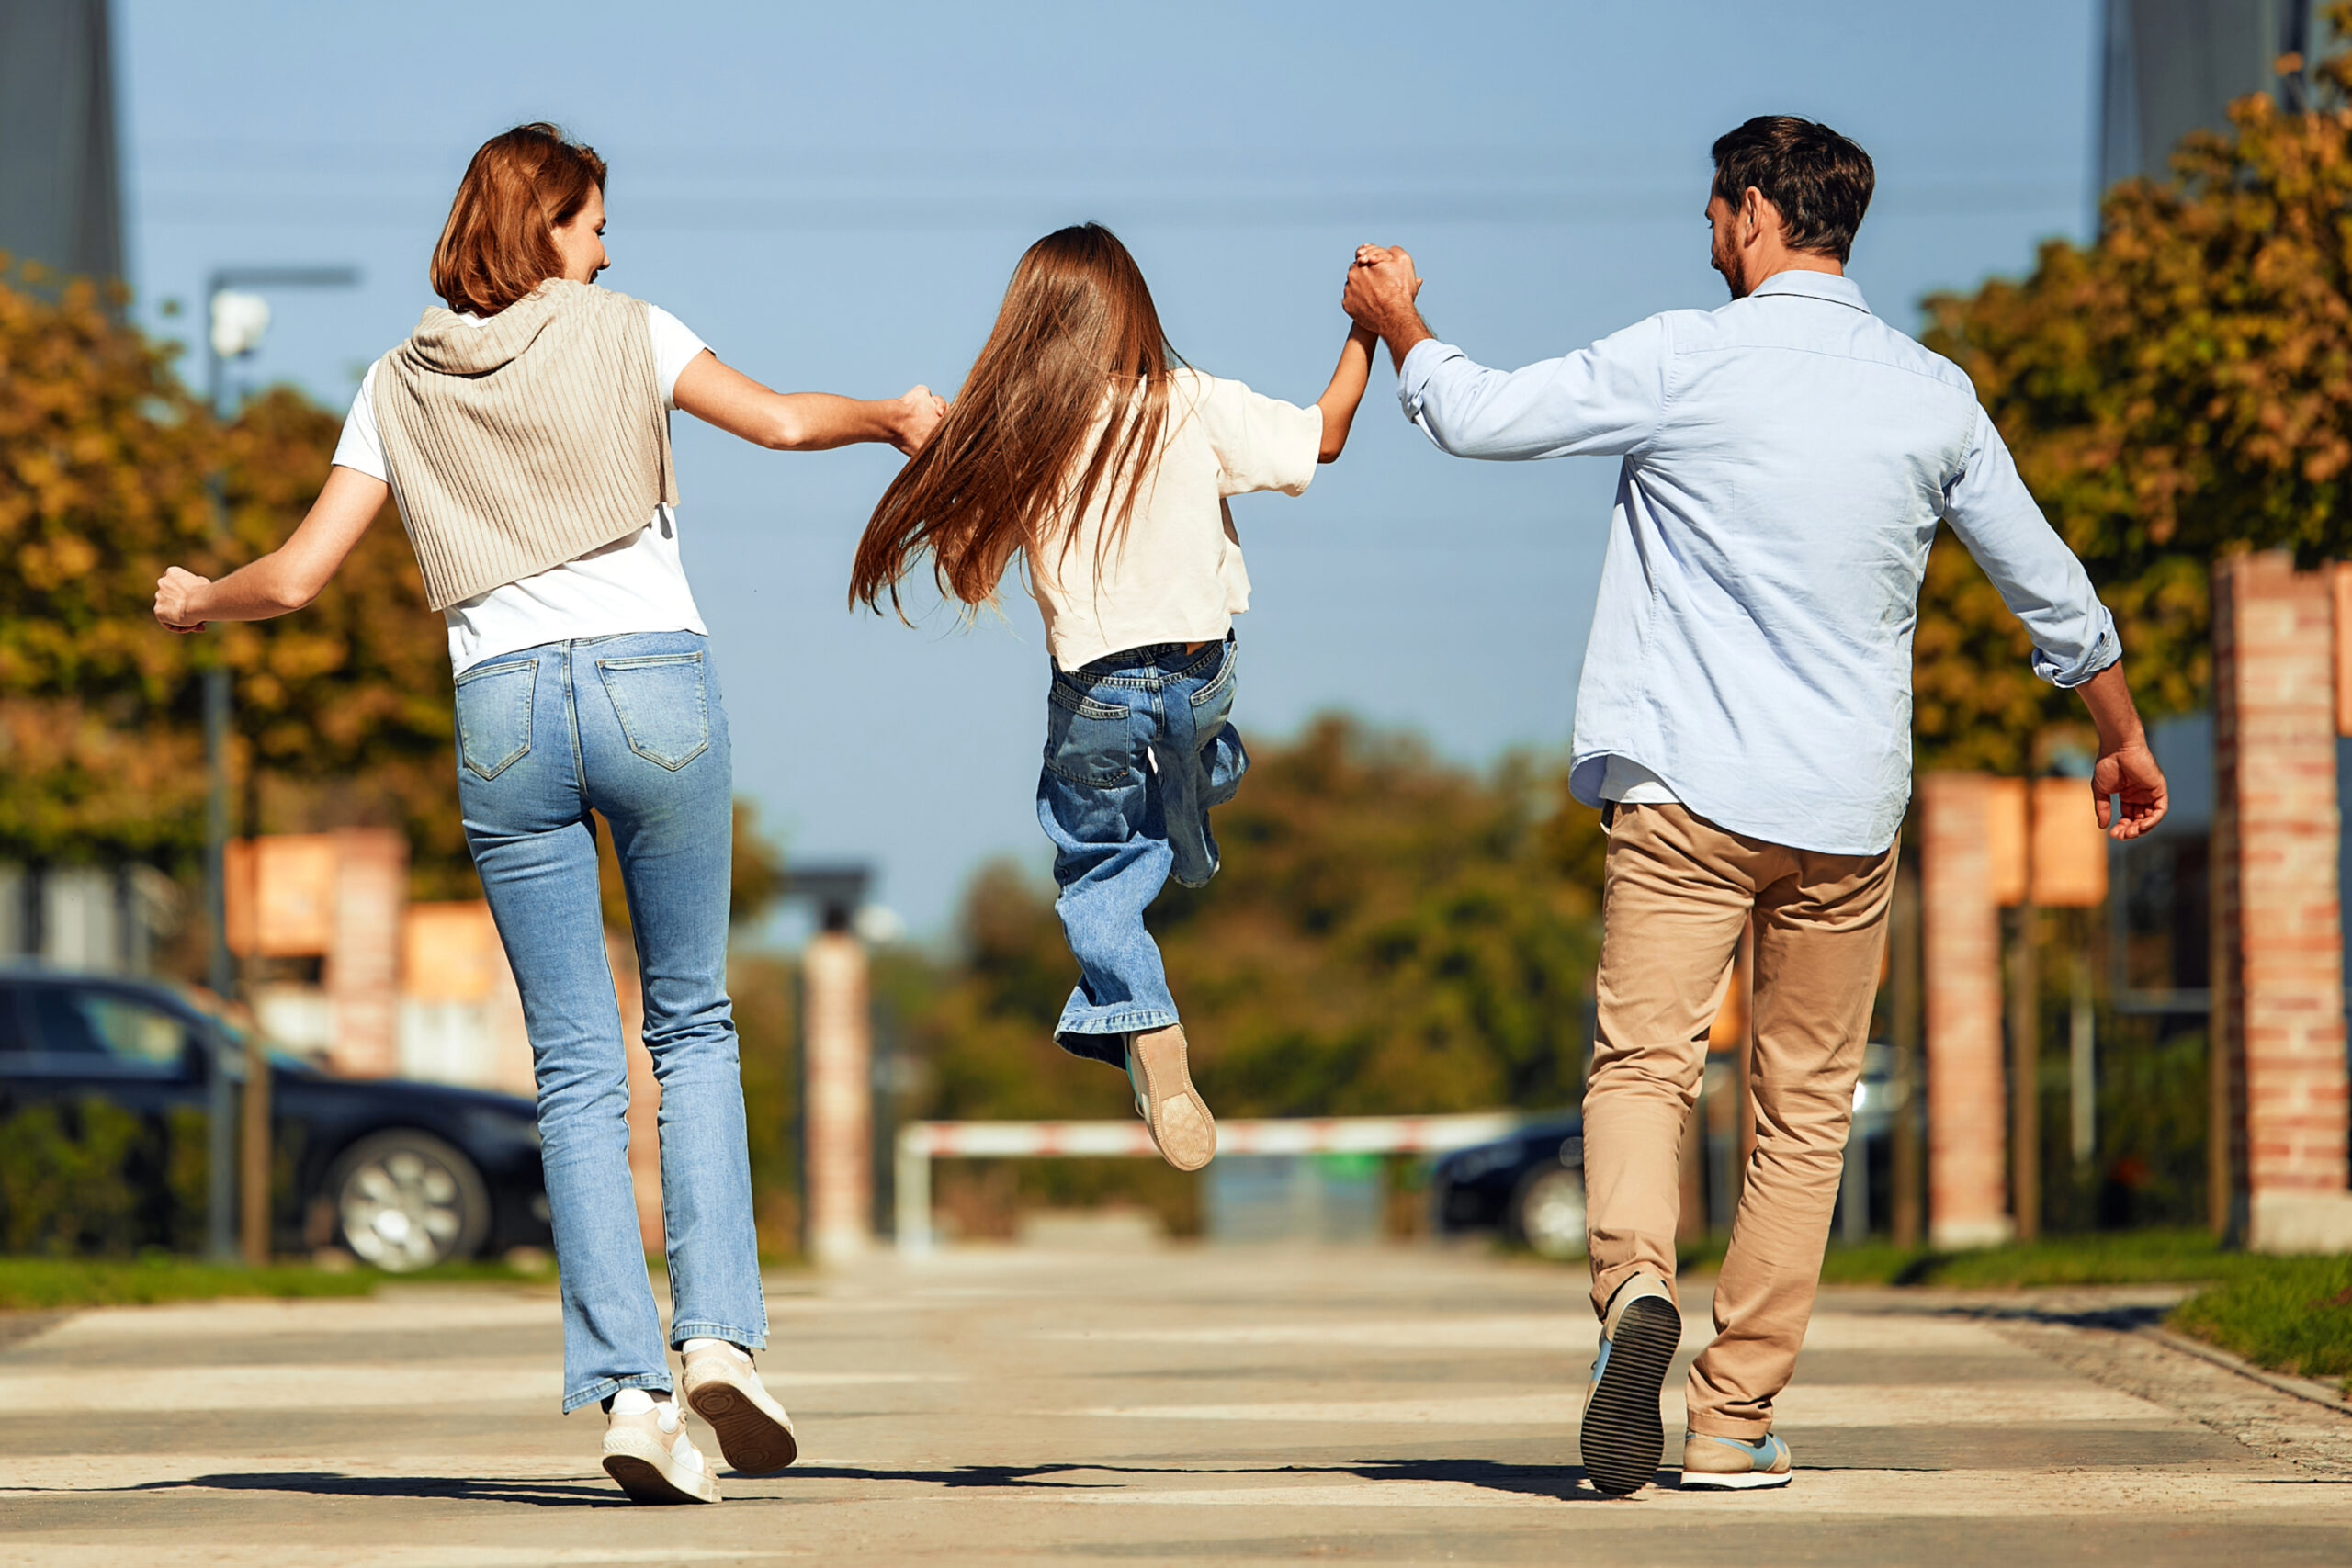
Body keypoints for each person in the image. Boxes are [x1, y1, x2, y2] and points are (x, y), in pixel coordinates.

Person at [1340, 116, 2169, 1496]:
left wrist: (1403, 321)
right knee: (1805, 1109)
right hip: (1845, 812)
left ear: (1755, 216)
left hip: (1684, 793)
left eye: (1716, 213)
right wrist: (2123, 736)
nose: (1707, 235)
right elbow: (2051, 587)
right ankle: (1733, 1416)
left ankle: (1631, 1295)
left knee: (1645, 1066)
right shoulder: (1932, 392)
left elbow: (1481, 418)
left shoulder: (1685, 356)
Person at [152, 122, 944, 1506]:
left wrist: (193, 598)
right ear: (542, 228)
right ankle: (717, 1340)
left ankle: (631, 1394)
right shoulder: (625, 330)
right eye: (589, 222)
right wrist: (893, 418)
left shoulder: (395, 382)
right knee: (690, 1021)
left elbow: (291, 578)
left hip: (503, 710)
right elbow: (774, 419)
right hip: (655, 687)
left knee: (575, 1064)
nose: (606, 246)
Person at [848, 222, 1377, 1171]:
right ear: (1132, 310)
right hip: (1201, 675)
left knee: (1099, 873)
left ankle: (1150, 1027)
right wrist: (1365, 332)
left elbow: (969, 572)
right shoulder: (1193, 403)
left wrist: (931, 454)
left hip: (1097, 696)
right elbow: (1323, 438)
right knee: (1198, 759)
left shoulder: (1022, 435)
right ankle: (1190, 830)